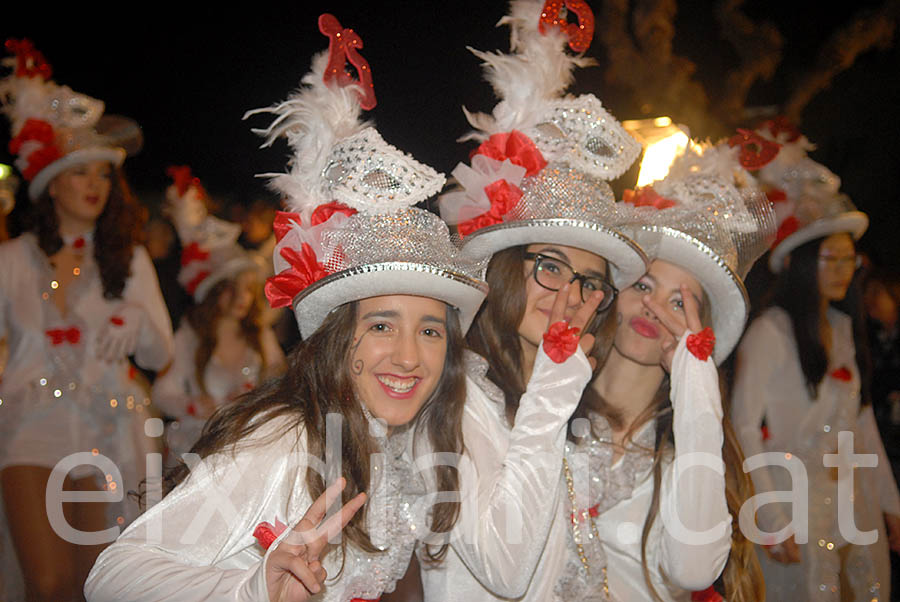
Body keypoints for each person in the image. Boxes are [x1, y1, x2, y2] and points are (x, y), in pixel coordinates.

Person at [84, 15, 495, 601]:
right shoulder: (289, 438)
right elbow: (114, 576)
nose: (409, 355)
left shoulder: (398, 438)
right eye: (382, 324)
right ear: (337, 336)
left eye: (431, 330)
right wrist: (256, 589)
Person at [423, 2, 650, 599]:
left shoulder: (558, 395)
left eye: (590, 282)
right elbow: (507, 570)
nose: (571, 297)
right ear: (503, 269)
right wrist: (553, 395)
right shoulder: (451, 396)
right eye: (550, 267)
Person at [553, 139, 778, 602]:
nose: (654, 307)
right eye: (644, 285)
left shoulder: (687, 451)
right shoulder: (545, 402)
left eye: (680, 303)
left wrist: (696, 393)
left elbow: (694, 569)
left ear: (703, 332)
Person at [0, 39, 174, 600]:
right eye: (81, 173)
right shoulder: (11, 261)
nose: (96, 185)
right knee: (45, 583)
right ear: (52, 184)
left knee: (90, 587)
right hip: (30, 427)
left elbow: (160, 355)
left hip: (108, 432)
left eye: (104, 173)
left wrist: (136, 322)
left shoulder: (128, 259)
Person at [732, 121, 900, 600]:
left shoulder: (846, 331)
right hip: (795, 502)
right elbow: (743, 425)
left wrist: (891, 506)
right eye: (832, 258)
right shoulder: (770, 332)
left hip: (854, 504)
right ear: (804, 263)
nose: (845, 270)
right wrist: (769, 515)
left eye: (850, 260)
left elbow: (863, 422)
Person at [152, 166, 286, 461]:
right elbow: (162, 392)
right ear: (213, 292)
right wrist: (193, 406)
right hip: (198, 451)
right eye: (232, 288)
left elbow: (280, 383)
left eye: (248, 289)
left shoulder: (259, 334)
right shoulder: (192, 333)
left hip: (247, 451)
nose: (242, 297)